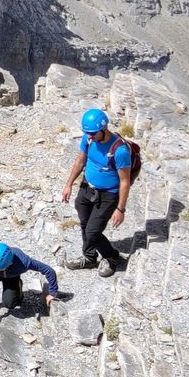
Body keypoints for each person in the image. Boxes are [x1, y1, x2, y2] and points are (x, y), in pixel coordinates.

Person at [62, 107, 134, 276]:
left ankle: (112, 256)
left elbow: (125, 182)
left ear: (104, 129)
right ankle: (89, 258)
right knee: (85, 224)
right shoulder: (88, 140)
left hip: (108, 195)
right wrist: (69, 184)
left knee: (92, 231)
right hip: (87, 188)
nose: (90, 136)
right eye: (88, 133)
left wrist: (120, 209)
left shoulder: (120, 150)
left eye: (93, 133)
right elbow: (80, 161)